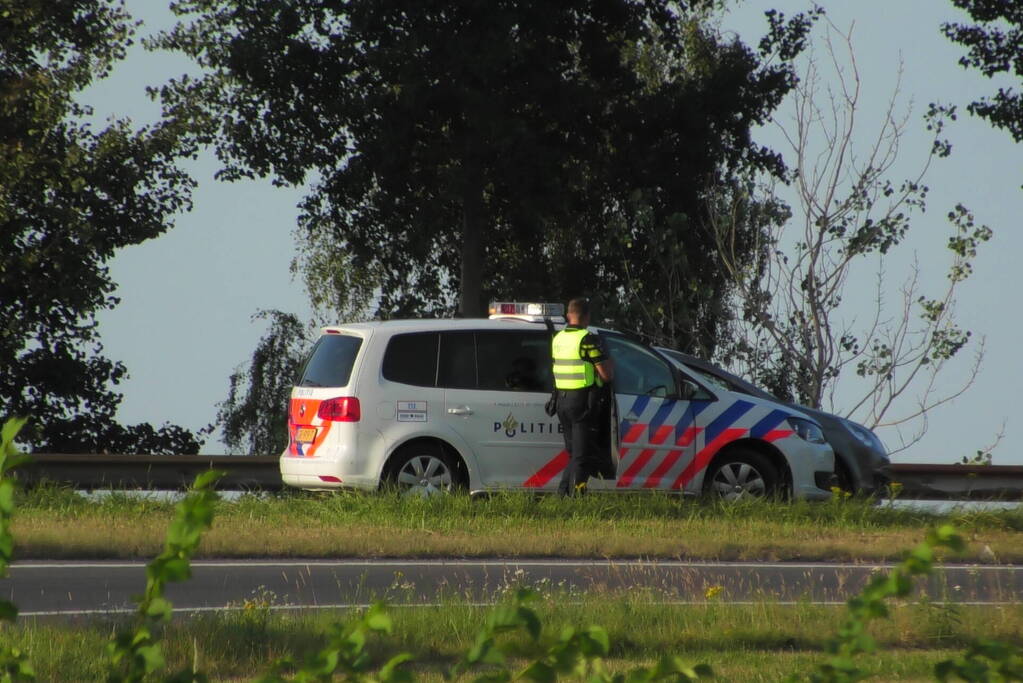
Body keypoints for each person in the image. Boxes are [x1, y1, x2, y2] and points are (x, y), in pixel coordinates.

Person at [551, 297, 614, 495]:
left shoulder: (558, 338)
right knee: (581, 456)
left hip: (561, 401)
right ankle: (575, 497)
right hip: (581, 403)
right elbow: (606, 375)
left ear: (569, 315)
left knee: (574, 453)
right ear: (586, 317)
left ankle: (563, 494)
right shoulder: (587, 339)